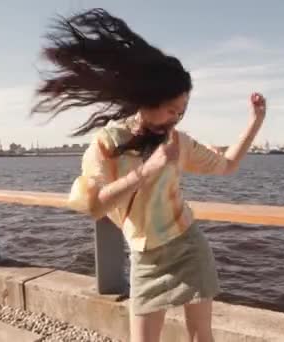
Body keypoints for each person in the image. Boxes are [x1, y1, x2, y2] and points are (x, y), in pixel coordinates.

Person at [32, 8, 266, 342]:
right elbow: (94, 207)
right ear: (147, 100)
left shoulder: (178, 143)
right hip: (145, 258)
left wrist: (255, 121)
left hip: (188, 245)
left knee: (202, 336)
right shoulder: (108, 144)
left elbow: (227, 164)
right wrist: (148, 169)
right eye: (171, 110)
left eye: (181, 112)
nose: (176, 119)